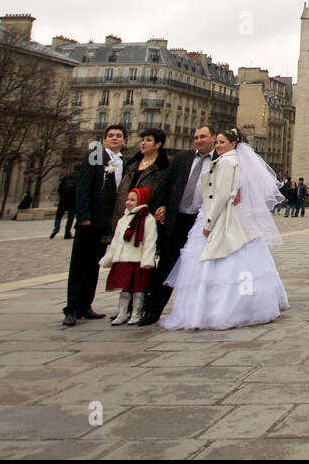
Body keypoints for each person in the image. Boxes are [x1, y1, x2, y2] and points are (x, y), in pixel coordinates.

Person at [161, 127, 288, 330]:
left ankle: (216, 308)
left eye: (222, 142)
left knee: (215, 260)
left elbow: (220, 196)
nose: (218, 145)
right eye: (217, 142)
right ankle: (247, 304)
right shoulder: (236, 162)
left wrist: (209, 223)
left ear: (233, 144)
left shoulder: (226, 162)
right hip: (232, 217)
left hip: (220, 217)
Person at [141, 124, 216, 327]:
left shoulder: (222, 160)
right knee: (166, 264)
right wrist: (162, 205)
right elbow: (167, 184)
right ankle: (151, 310)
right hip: (179, 218)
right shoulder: (182, 158)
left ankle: (198, 310)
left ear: (214, 138)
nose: (199, 140)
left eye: (203, 136)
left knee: (202, 268)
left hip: (202, 222)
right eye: (196, 137)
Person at [64, 125, 127, 326]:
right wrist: (83, 216)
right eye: (111, 136)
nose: (114, 139)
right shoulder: (95, 156)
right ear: (104, 140)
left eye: (118, 136)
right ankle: (71, 307)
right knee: (79, 264)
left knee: (94, 265)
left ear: (124, 140)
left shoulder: (123, 162)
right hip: (90, 220)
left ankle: (85, 305)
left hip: (106, 223)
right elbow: (83, 187)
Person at [100, 187, 160, 325]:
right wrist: (109, 257)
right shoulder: (123, 219)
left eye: (132, 200)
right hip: (124, 259)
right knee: (125, 289)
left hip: (138, 260)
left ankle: (136, 313)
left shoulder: (148, 219)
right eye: (127, 199)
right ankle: (122, 312)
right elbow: (116, 241)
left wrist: (147, 260)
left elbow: (150, 241)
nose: (128, 202)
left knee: (139, 289)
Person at [50, 168, 78, 239]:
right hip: (73, 200)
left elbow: (59, 189)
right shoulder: (80, 177)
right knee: (70, 217)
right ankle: (67, 233)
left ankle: (56, 228)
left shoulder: (66, 177)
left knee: (58, 215)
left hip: (64, 199)